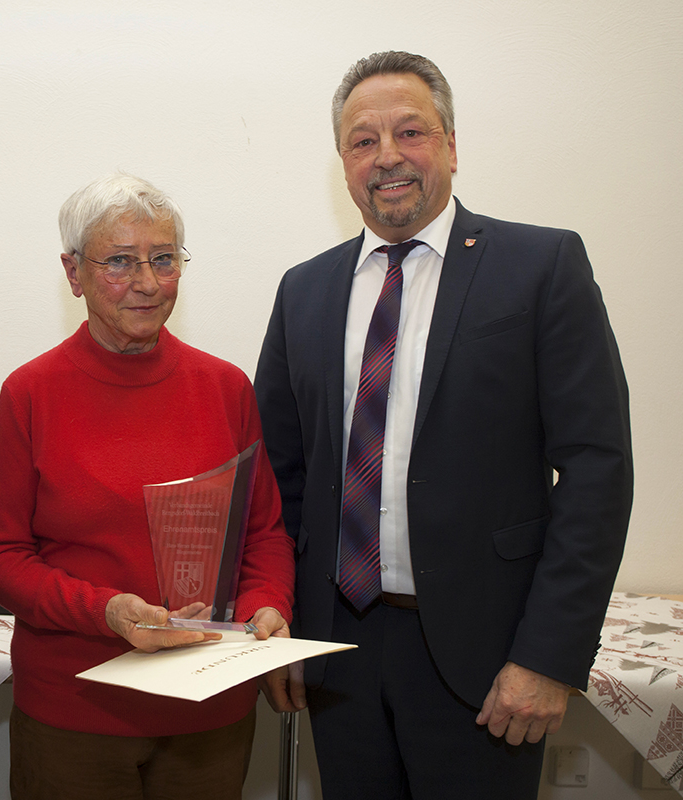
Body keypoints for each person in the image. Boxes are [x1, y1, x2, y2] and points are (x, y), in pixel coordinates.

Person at [253, 51, 632, 798]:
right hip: (340, 653)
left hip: (489, 662)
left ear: (452, 146)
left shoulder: (540, 264)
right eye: (363, 140)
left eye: (410, 132)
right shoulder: (305, 291)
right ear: (343, 163)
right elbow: (279, 481)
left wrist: (549, 656)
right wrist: (286, 631)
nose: (387, 155)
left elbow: (596, 470)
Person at [0, 173, 296, 800]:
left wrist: (266, 603)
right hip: (78, 707)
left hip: (211, 707)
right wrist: (107, 611)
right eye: (119, 261)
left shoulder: (225, 388)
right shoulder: (30, 394)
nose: (146, 282)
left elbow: (264, 533)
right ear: (73, 272)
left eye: (164, 259)